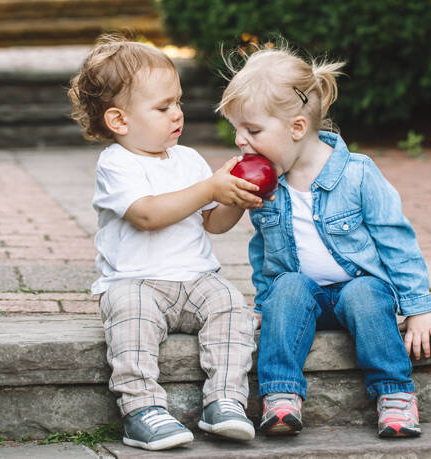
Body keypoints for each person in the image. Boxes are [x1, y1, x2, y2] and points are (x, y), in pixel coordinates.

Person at [216, 44, 431, 438]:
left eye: (252, 131)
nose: (240, 141)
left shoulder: (358, 174)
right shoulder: (268, 184)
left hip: (359, 289)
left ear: (297, 128)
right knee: (286, 288)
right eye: (237, 130)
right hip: (305, 296)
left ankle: (395, 394)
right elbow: (264, 249)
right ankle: (281, 396)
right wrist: (266, 304)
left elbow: (397, 241)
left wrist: (418, 308)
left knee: (367, 294)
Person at [68, 34, 263, 451]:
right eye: (162, 107)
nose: (177, 113)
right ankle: (142, 409)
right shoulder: (117, 163)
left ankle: (225, 400)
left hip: (195, 279)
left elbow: (213, 224)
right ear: (119, 121)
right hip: (136, 282)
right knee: (130, 316)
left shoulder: (188, 159)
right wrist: (211, 188)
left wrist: (236, 197)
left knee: (232, 307)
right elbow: (147, 214)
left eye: (178, 102)